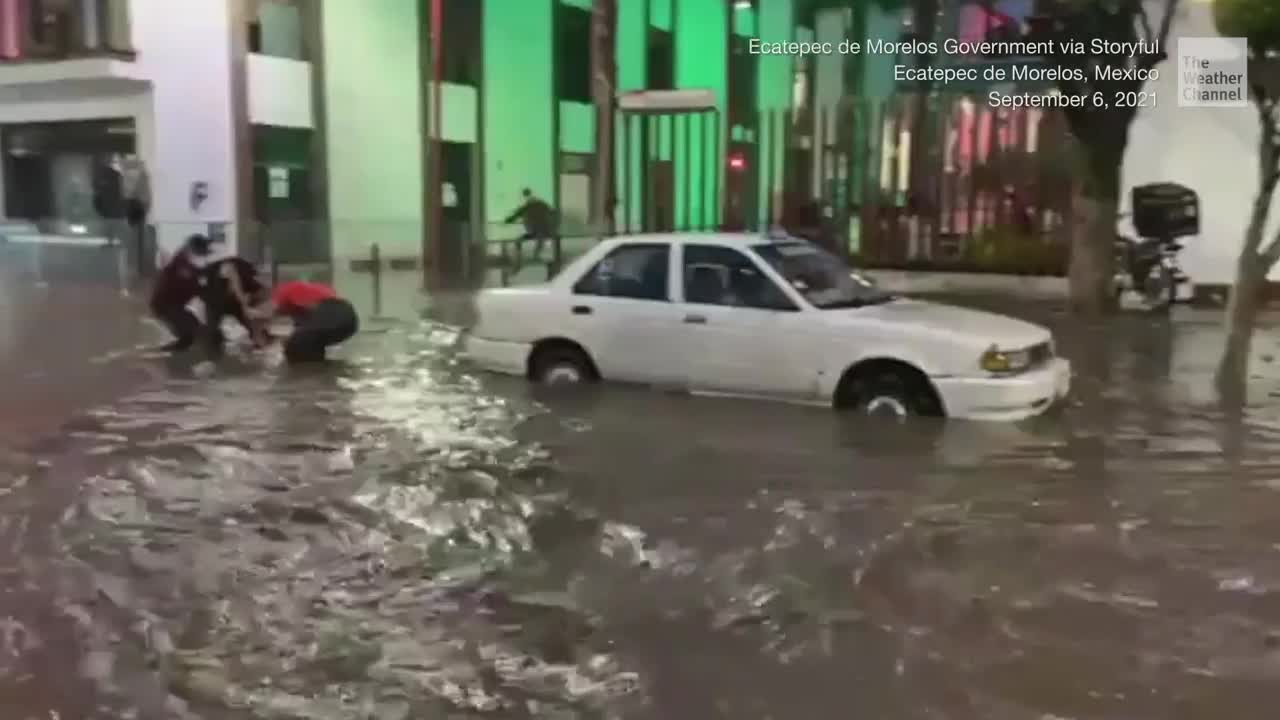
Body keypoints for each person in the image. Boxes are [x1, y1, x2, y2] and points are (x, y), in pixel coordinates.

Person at [186, 236, 269, 355]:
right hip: (220, 300)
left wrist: (244, 304)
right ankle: (216, 353)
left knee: (249, 325)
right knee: (214, 331)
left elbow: (234, 282)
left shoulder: (219, 259)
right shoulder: (209, 260)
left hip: (226, 300)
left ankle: (261, 347)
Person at [253, 280, 358, 364]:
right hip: (349, 321)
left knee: (294, 348)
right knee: (306, 352)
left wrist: (249, 313)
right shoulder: (303, 301)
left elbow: (265, 313)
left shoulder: (283, 290)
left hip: (332, 311)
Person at [149, 236, 205, 352]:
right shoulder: (181, 262)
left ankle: (173, 351)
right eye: (200, 252)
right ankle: (167, 353)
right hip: (166, 306)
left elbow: (193, 278)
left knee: (193, 327)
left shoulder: (183, 262)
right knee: (192, 329)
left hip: (171, 306)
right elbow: (189, 276)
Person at [503, 188, 556, 269]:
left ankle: (531, 256)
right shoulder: (539, 204)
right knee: (523, 240)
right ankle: (527, 256)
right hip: (540, 231)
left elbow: (514, 216)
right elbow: (552, 212)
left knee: (534, 239)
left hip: (540, 230)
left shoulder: (533, 205)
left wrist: (509, 220)